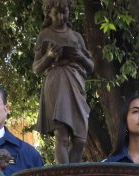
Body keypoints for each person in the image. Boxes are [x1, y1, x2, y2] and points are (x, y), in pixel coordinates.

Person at [32, 0, 94, 164]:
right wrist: (49, 56)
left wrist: (80, 56)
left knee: (80, 139)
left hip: (76, 81)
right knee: (62, 135)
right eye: (56, 12)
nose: (60, 16)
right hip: (56, 82)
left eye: (64, 11)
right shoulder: (44, 35)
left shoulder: (76, 36)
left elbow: (91, 66)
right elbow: (36, 68)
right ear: (48, 13)